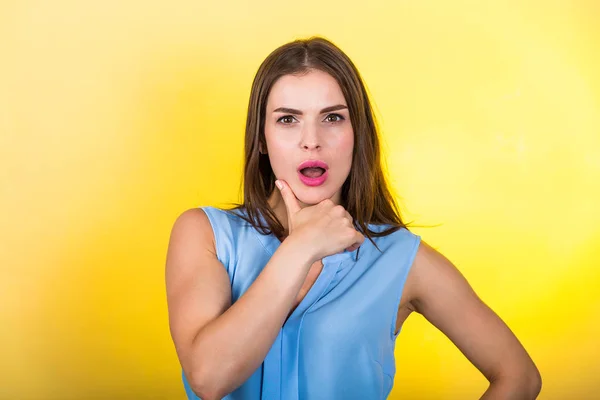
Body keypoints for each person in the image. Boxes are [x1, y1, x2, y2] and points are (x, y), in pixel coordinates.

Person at [165, 36, 542, 400]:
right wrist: (300, 249)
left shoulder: (403, 259)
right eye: (287, 120)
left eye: (332, 117)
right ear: (261, 138)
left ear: (356, 132)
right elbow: (209, 378)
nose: (311, 140)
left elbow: (519, 377)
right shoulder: (204, 233)